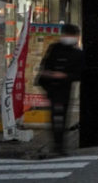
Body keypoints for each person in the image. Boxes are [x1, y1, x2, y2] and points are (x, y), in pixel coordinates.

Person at [37, 24, 84, 156]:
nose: (69, 37)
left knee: (60, 117)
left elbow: (79, 73)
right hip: (53, 88)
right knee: (58, 117)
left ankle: (59, 145)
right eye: (67, 34)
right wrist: (53, 74)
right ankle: (58, 145)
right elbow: (45, 66)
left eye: (71, 35)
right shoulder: (56, 48)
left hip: (63, 89)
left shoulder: (76, 53)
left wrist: (65, 75)